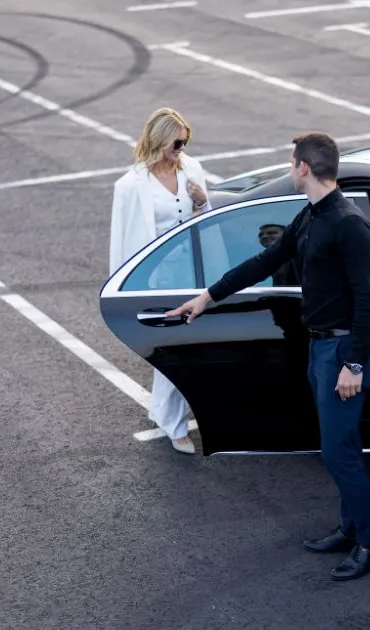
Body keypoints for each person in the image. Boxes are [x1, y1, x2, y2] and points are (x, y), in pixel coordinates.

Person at [166, 132, 370, 581]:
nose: (289, 168)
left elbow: (369, 303)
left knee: (338, 452)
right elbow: (264, 261)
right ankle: (349, 528)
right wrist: (208, 297)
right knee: (339, 447)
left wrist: (355, 365)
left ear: (304, 167)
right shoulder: (311, 217)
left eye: (292, 162)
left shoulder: (348, 223)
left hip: (344, 351)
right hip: (321, 346)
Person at [109, 107, 211, 455]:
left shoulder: (191, 170)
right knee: (172, 347)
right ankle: (174, 424)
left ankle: (165, 412)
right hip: (155, 279)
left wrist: (202, 201)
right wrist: (121, 289)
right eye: (177, 142)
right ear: (160, 140)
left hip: (191, 275)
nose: (182, 148)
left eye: (185, 141)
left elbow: (206, 221)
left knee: (185, 345)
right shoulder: (129, 186)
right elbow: (121, 239)